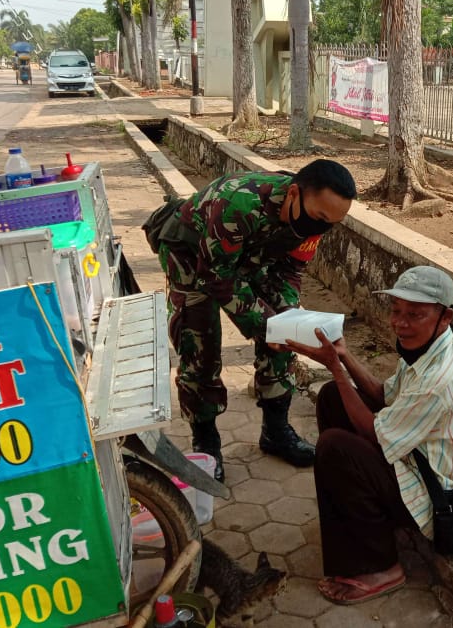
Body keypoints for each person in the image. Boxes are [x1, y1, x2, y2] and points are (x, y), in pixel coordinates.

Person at [285, 266, 453, 606]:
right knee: (336, 399)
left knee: (336, 448)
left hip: (443, 497)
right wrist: (345, 356)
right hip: (420, 460)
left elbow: (373, 431)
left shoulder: (440, 377)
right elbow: (384, 395)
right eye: (396, 311)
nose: (400, 323)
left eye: (415, 314)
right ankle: (366, 516)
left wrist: (335, 367)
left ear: (445, 316)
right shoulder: (429, 347)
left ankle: (381, 567)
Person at [149, 160, 357, 481]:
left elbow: (290, 270)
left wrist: (285, 318)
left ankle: (275, 430)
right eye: (318, 218)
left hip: (244, 254)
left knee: (288, 327)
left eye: (331, 223)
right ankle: (206, 441)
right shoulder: (238, 203)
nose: (322, 228)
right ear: (293, 195)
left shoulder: (315, 220)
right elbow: (218, 276)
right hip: (191, 254)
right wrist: (266, 325)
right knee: (199, 343)